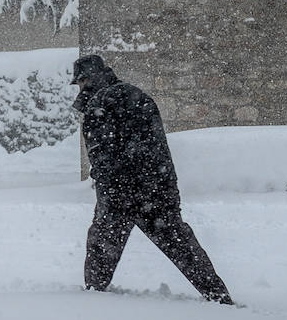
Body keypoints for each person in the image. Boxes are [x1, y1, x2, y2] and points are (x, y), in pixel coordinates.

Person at [71, 54, 234, 304]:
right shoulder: (137, 95)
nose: (80, 88)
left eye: (80, 82)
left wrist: (106, 185)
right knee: (181, 246)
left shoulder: (99, 105)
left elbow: (102, 156)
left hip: (119, 193)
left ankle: (93, 298)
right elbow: (155, 144)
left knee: (102, 246)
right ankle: (218, 294)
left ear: (87, 79)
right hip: (158, 186)